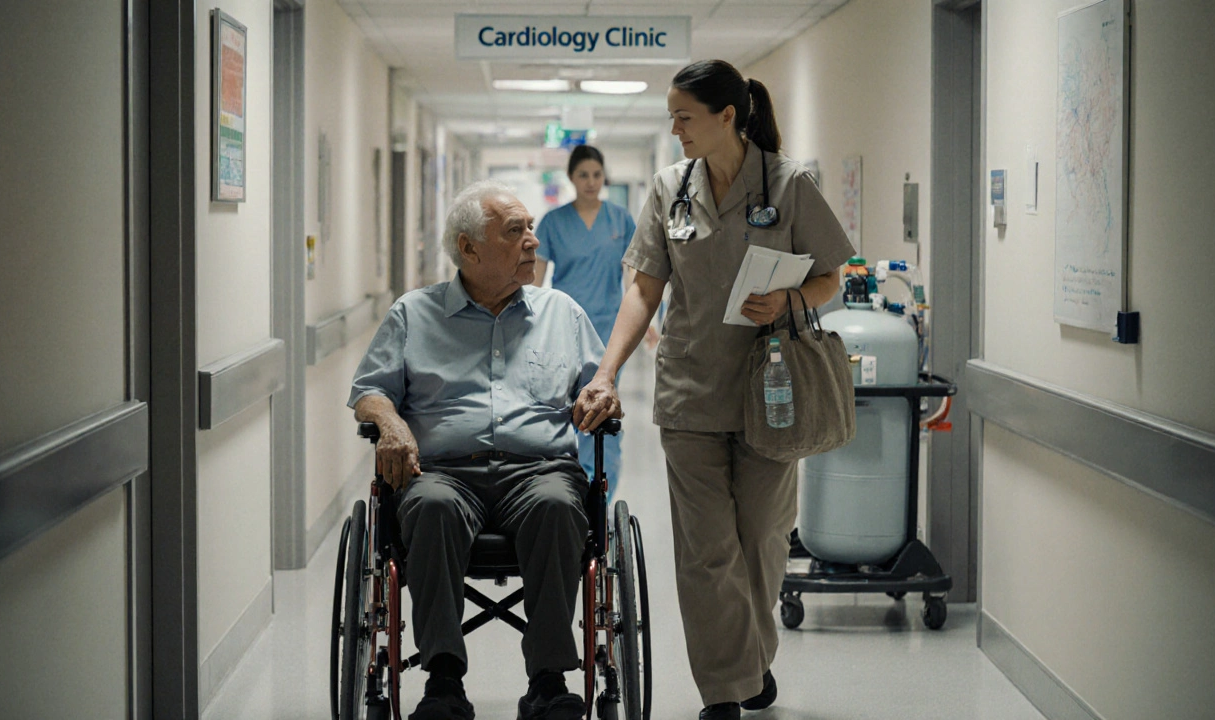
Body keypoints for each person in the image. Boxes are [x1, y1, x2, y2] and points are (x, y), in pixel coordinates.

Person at [573, 60, 855, 720]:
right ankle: (725, 688)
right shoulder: (670, 189)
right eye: (671, 116)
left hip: (772, 391)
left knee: (760, 538)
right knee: (707, 551)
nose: (674, 129)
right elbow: (644, 287)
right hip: (690, 394)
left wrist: (789, 296)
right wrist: (607, 370)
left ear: (727, 116)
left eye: (684, 116)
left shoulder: (787, 186)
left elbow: (831, 279)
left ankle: (752, 659)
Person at [349, 180, 606, 720]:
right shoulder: (413, 313)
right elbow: (368, 392)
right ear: (468, 248)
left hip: (540, 472)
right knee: (432, 508)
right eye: (516, 231)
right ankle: (443, 681)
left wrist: (600, 397)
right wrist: (390, 422)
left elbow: (597, 384)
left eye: (531, 228)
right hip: (443, 473)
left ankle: (549, 680)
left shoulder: (561, 312)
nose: (533, 241)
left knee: (561, 507)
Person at [533, 145, 651, 498]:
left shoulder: (620, 219)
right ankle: (568, 488)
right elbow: (535, 282)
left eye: (597, 175)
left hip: (609, 330)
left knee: (603, 408)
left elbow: (633, 277)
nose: (590, 182)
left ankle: (600, 494)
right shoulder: (553, 222)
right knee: (566, 408)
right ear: (571, 178)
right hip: (562, 328)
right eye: (583, 175)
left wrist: (648, 320)